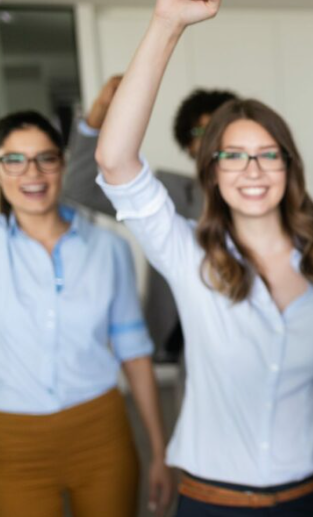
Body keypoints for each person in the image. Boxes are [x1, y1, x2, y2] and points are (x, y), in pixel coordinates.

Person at [94, 1, 313, 516]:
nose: (253, 171)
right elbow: (115, 160)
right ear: (212, 172)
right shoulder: (187, 253)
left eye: (268, 154)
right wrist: (167, 23)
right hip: (212, 501)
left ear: (289, 166)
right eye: (233, 156)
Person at [0, 111, 174, 517]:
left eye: (46, 158)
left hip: (100, 432)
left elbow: (134, 352)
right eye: (14, 160)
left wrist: (159, 452)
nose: (33, 173)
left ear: (63, 164)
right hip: (13, 439)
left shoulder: (108, 248)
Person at [63, 75, 238, 362]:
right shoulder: (167, 193)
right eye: (200, 132)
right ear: (187, 144)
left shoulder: (267, 191)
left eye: (220, 130)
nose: (210, 141)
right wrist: (98, 113)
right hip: (191, 346)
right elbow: (81, 186)